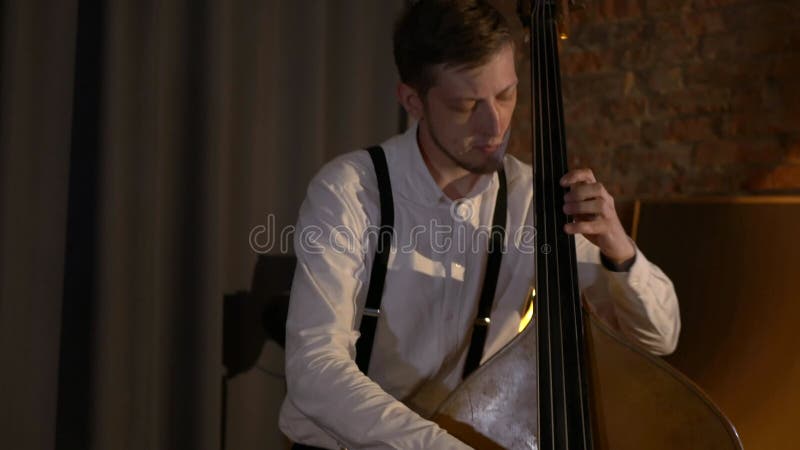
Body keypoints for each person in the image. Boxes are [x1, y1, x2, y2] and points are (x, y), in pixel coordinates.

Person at [279, 1, 679, 448]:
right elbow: (314, 372)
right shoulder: (349, 191)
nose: (495, 125)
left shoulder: (533, 199)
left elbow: (659, 339)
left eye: (505, 95)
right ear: (413, 100)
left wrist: (618, 250)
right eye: (467, 105)